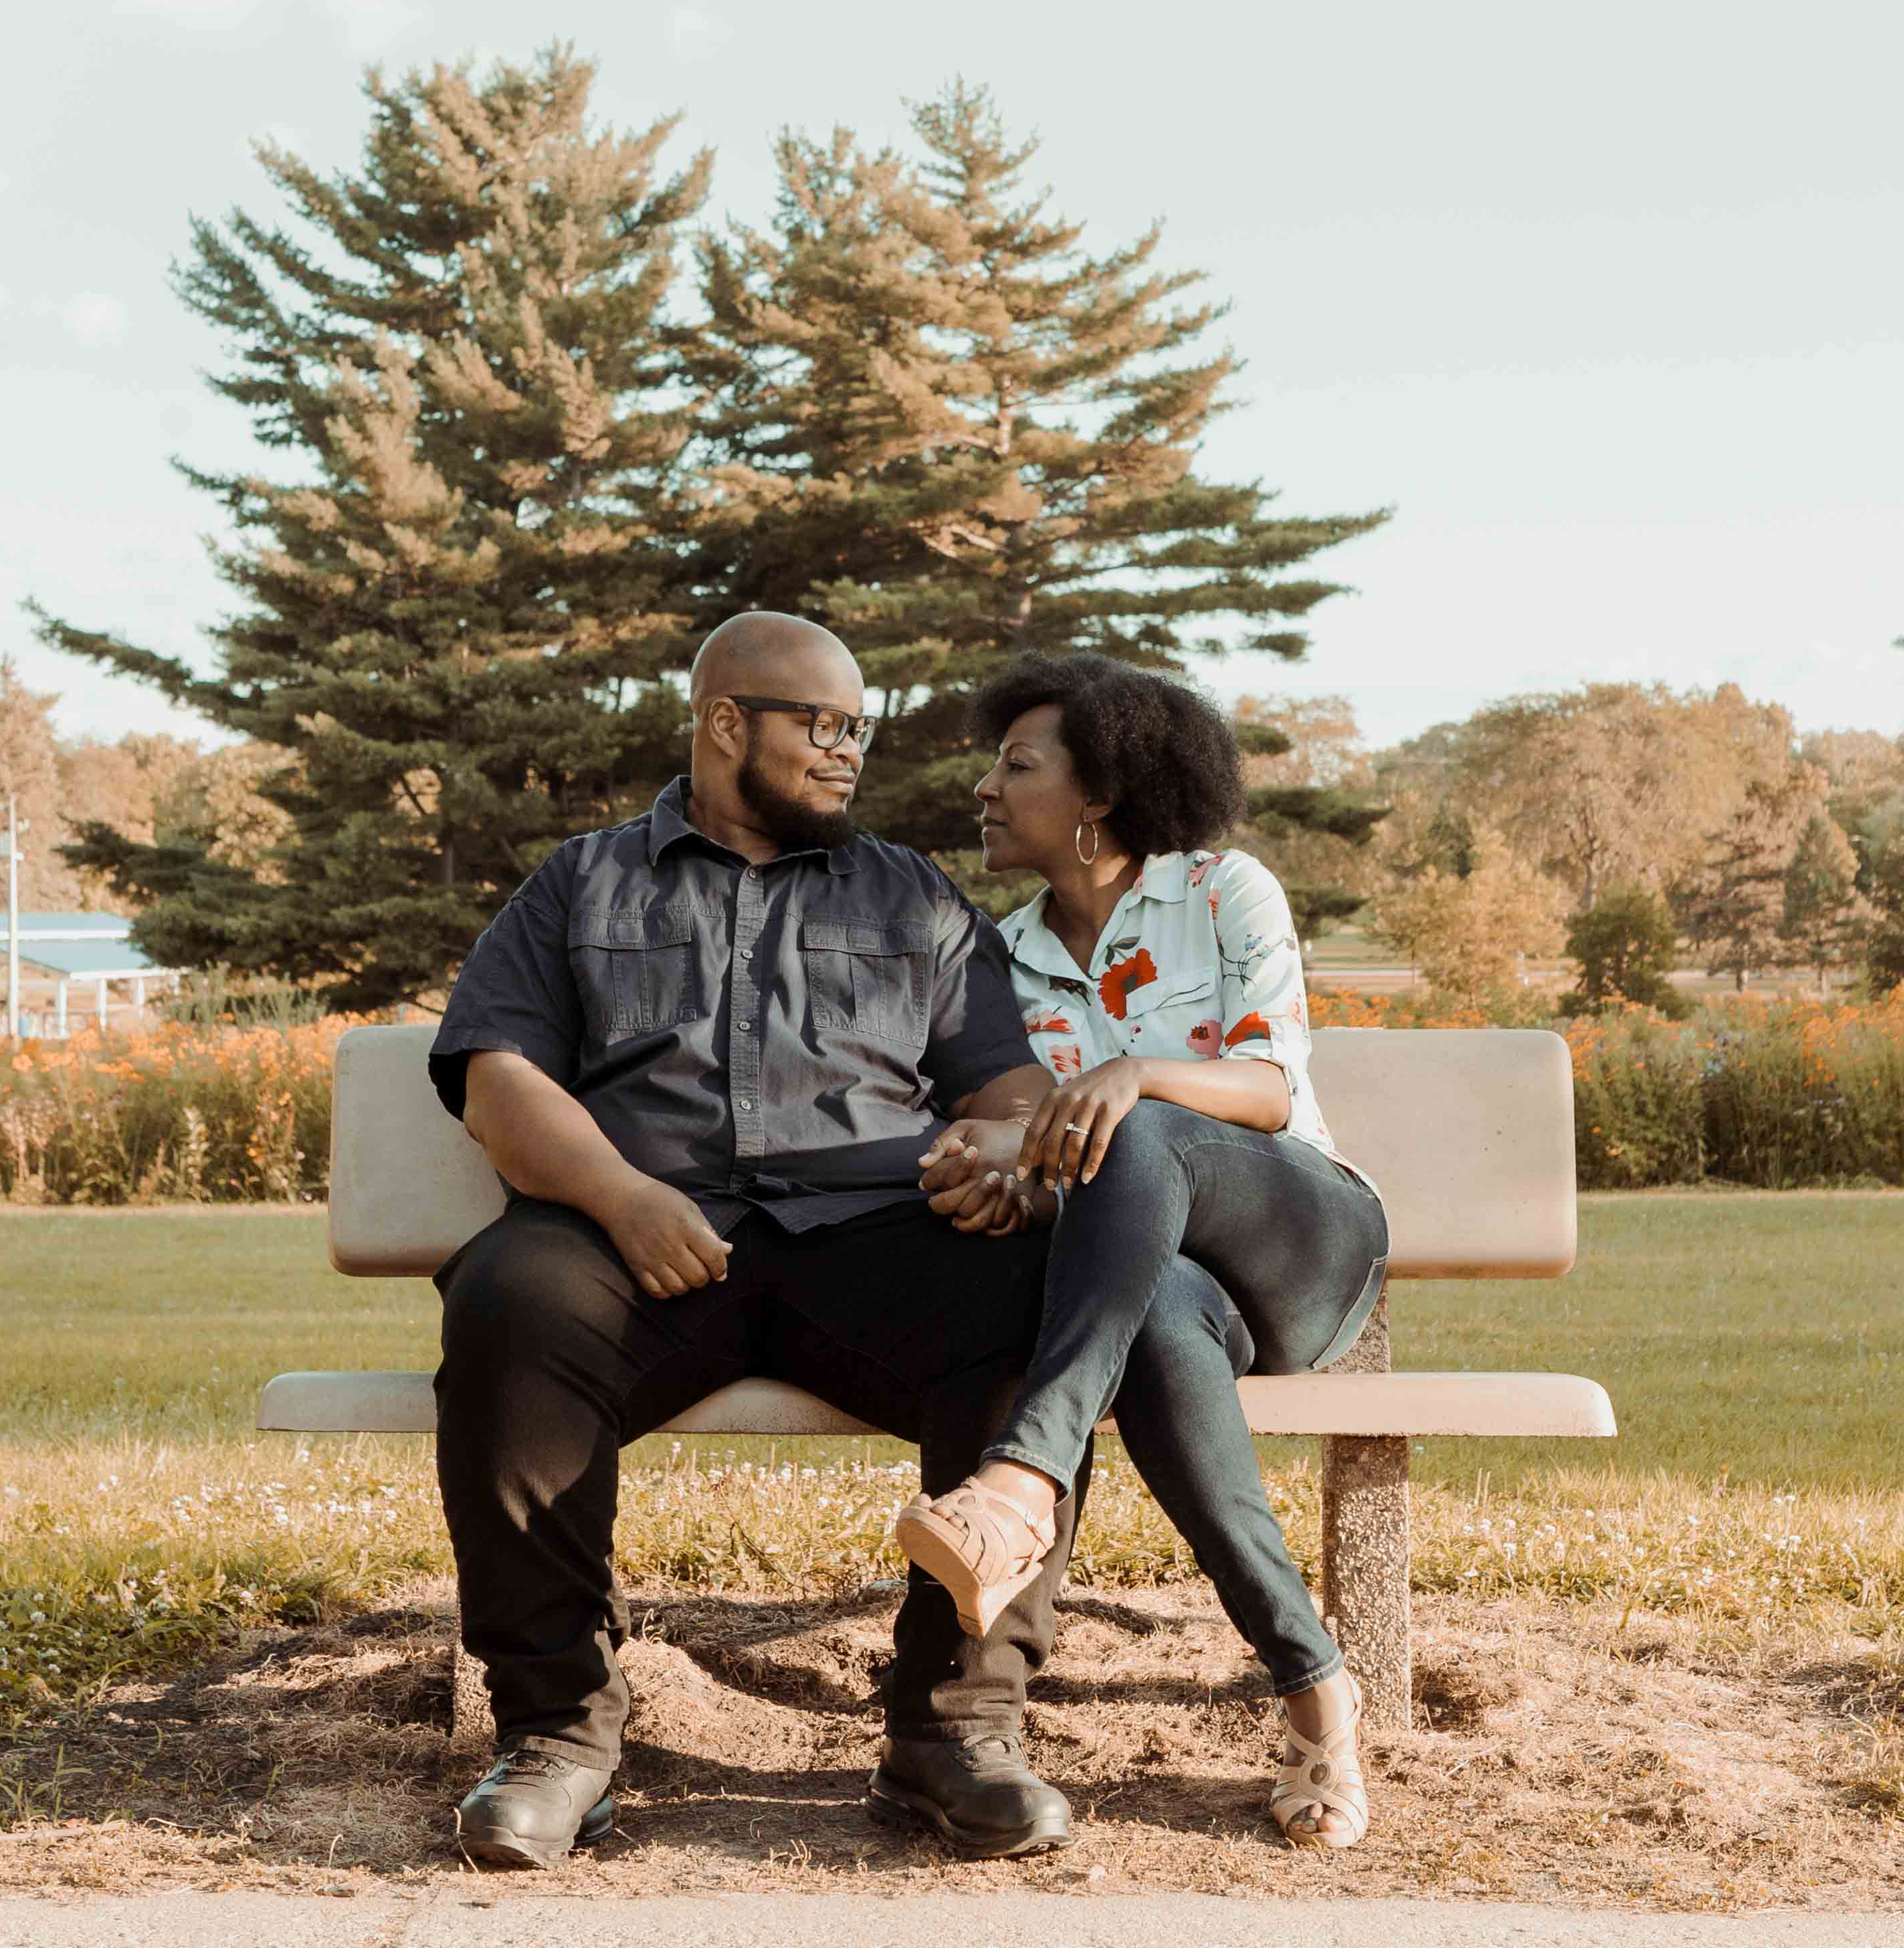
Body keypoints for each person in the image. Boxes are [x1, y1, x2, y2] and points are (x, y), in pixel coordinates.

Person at [427, 613, 1083, 1869]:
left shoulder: (913, 894)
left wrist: (1003, 1164)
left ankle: (955, 1732)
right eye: (821, 726)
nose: (848, 754)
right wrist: (619, 1197)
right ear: (727, 723)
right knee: (510, 1299)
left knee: (1037, 1303)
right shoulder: (581, 881)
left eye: (860, 730)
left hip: (874, 1240)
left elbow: (1001, 1083)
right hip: (640, 1243)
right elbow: (501, 1081)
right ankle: (558, 1733)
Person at [901, 651, 1394, 1849]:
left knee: (1147, 1125)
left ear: (1101, 793)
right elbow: (1010, 1129)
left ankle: (1021, 1479)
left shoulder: (1223, 891)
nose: (985, 786)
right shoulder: (999, 957)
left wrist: (1134, 1073)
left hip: (1296, 1237)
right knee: (1161, 1326)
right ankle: (1314, 1679)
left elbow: (1272, 1090)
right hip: (1153, 1285)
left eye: (1017, 764)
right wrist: (991, 1163)